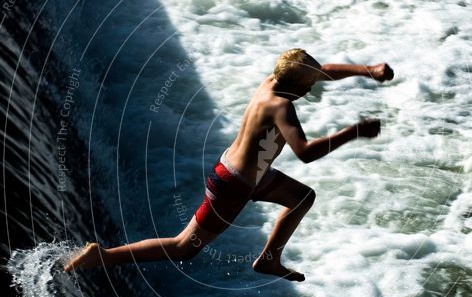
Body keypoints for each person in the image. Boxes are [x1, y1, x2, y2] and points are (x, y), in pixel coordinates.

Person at [64, 49, 394, 280]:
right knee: (184, 247)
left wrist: (367, 70)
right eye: (308, 86)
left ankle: (268, 259)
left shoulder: (274, 80)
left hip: (253, 174)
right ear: (295, 86)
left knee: (302, 197)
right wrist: (354, 132)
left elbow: (322, 72)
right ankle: (103, 256)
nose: (312, 87)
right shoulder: (281, 107)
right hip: (234, 183)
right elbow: (305, 152)